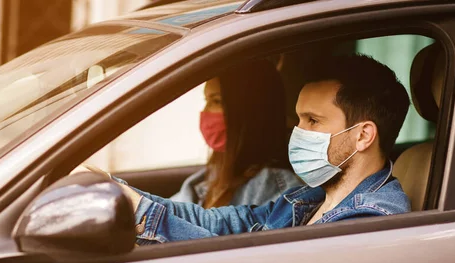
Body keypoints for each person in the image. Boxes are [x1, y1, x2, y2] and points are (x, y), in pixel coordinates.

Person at [103, 54, 412, 244]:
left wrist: (147, 215)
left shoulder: (368, 221)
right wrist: (128, 197)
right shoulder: (310, 198)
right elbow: (220, 223)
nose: (298, 132)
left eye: (314, 121)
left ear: (363, 136)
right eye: (299, 118)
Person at [170, 59, 302, 207]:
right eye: (207, 100)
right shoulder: (212, 176)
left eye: (216, 101)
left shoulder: (277, 190)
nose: (205, 112)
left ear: (249, 111)